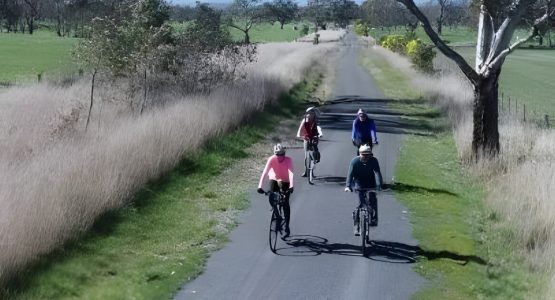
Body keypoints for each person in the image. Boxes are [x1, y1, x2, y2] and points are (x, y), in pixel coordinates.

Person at [344, 144, 383, 236]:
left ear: (370, 155)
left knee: (373, 200)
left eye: (368, 155)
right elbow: (350, 174)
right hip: (359, 184)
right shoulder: (354, 162)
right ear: (359, 153)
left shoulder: (374, 161)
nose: (365, 157)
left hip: (371, 184)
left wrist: (380, 185)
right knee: (360, 204)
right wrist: (348, 186)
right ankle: (357, 225)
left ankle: (374, 218)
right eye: (363, 154)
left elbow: (378, 173)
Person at [257, 143, 295, 237]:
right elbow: (265, 172)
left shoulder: (288, 160)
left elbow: (291, 173)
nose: (280, 156)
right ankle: (278, 216)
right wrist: (260, 186)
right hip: (274, 179)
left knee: (285, 203)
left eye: (282, 154)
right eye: (277, 154)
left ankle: (286, 226)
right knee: (271, 196)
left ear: (284, 154)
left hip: (286, 181)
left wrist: (291, 186)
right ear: (275, 154)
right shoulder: (271, 159)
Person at [296, 106, 323, 177]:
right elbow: (300, 130)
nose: (311, 114)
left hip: (314, 137)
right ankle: (306, 171)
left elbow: (318, 128)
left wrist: (320, 134)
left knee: (314, 153)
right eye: (310, 113)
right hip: (306, 138)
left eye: (312, 112)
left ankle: (312, 172)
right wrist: (299, 135)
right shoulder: (305, 120)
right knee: (306, 156)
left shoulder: (315, 120)